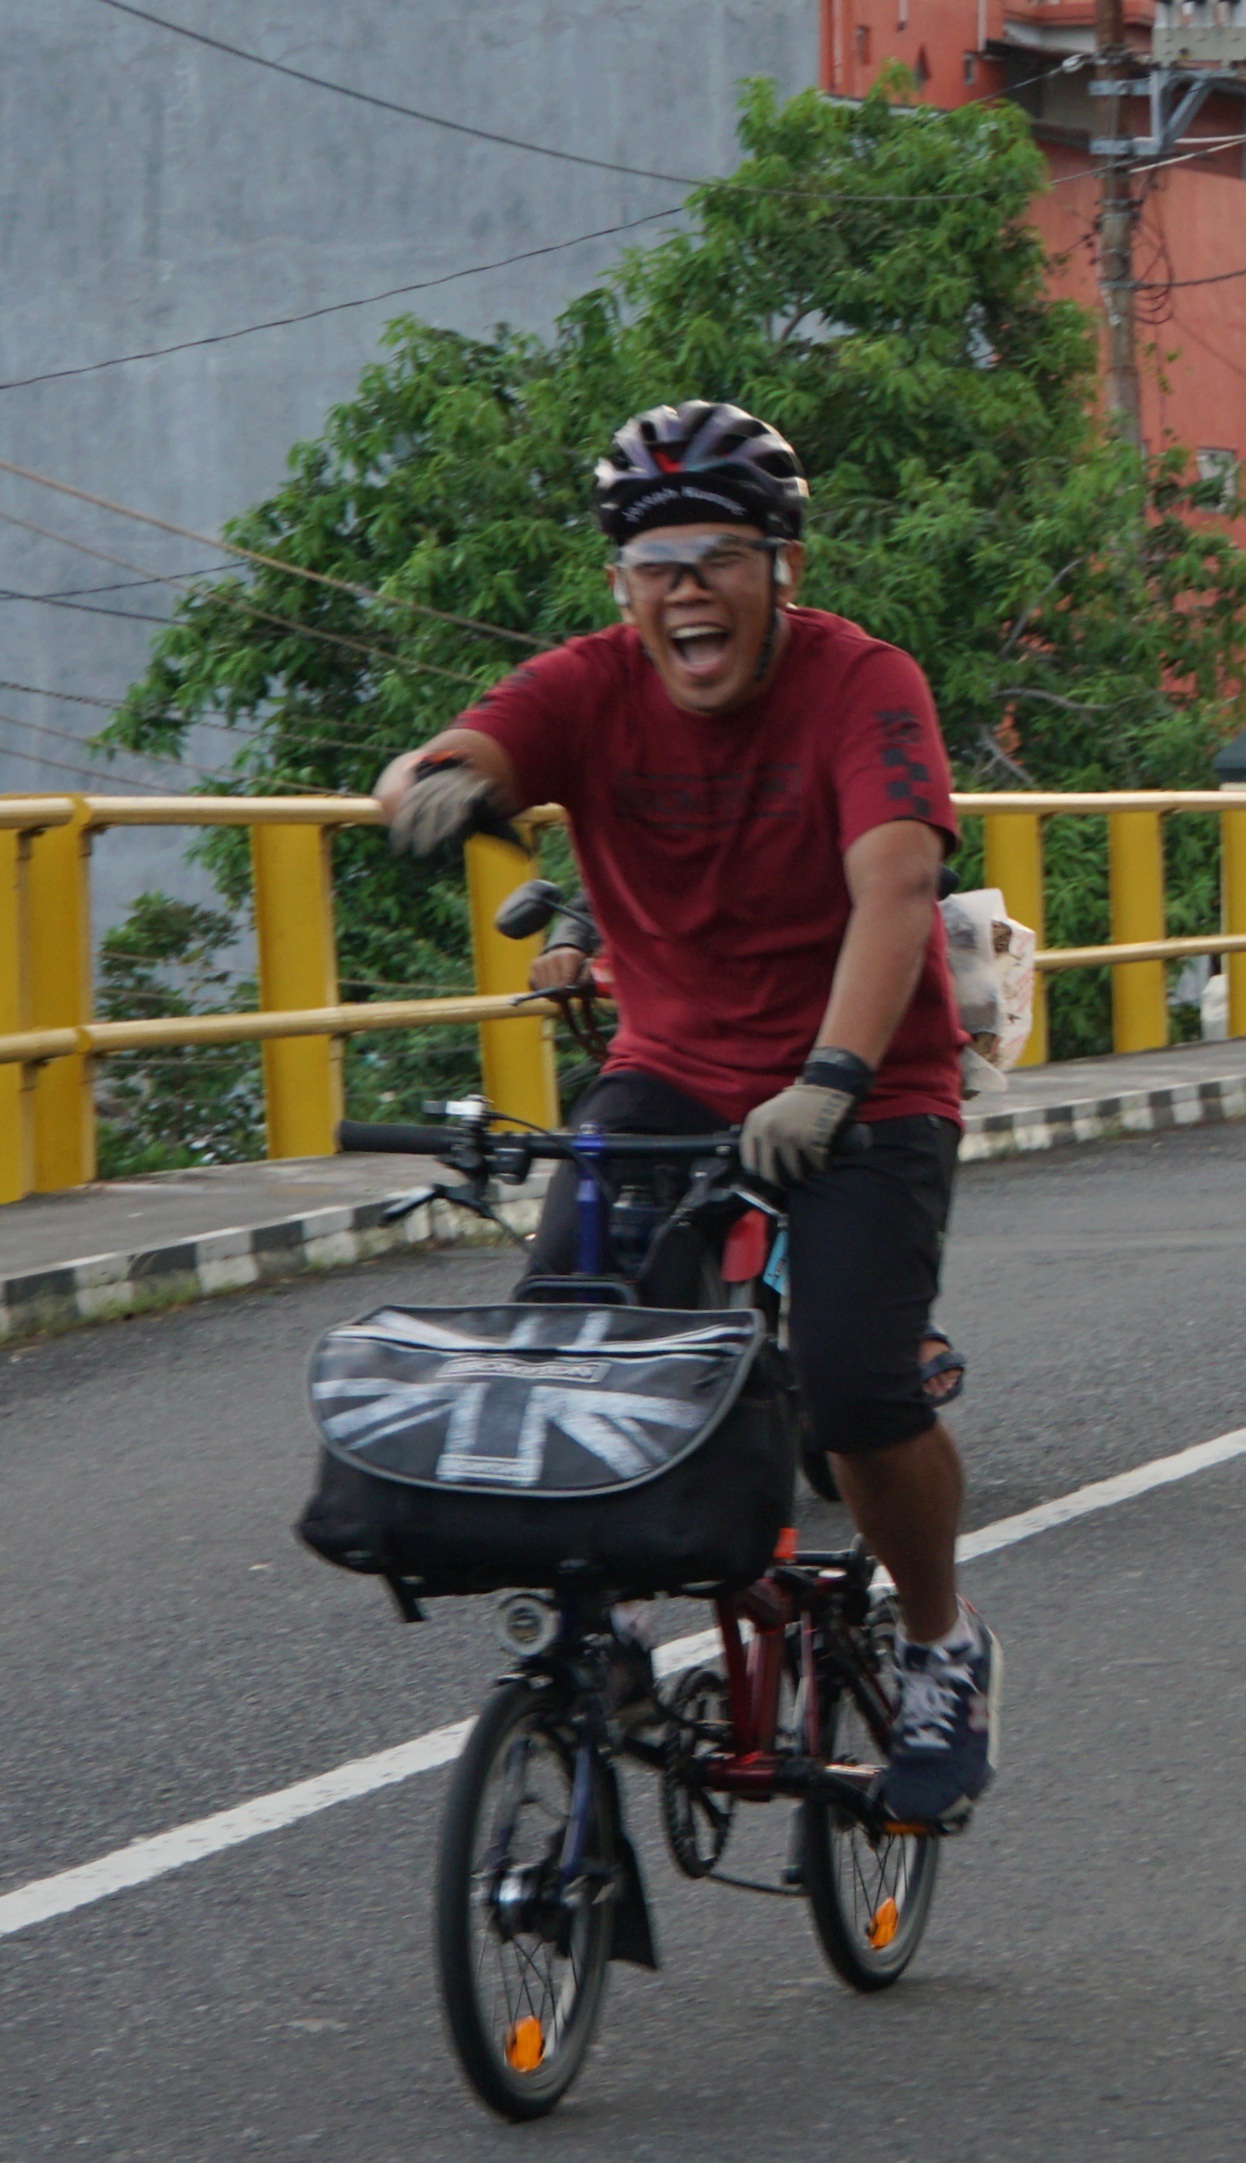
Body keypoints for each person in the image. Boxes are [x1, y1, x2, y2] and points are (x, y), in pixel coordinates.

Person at [372, 402, 997, 1824]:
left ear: (782, 565)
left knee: (855, 1389)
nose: (685, 590)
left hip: (866, 1079)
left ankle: (944, 1643)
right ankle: (606, 1633)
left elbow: (894, 888)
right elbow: (446, 755)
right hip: (669, 1065)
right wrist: (427, 789)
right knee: (566, 1337)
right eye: (654, 563)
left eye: (718, 555)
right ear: (622, 589)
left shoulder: (862, 681)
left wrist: (832, 1078)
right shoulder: (590, 687)